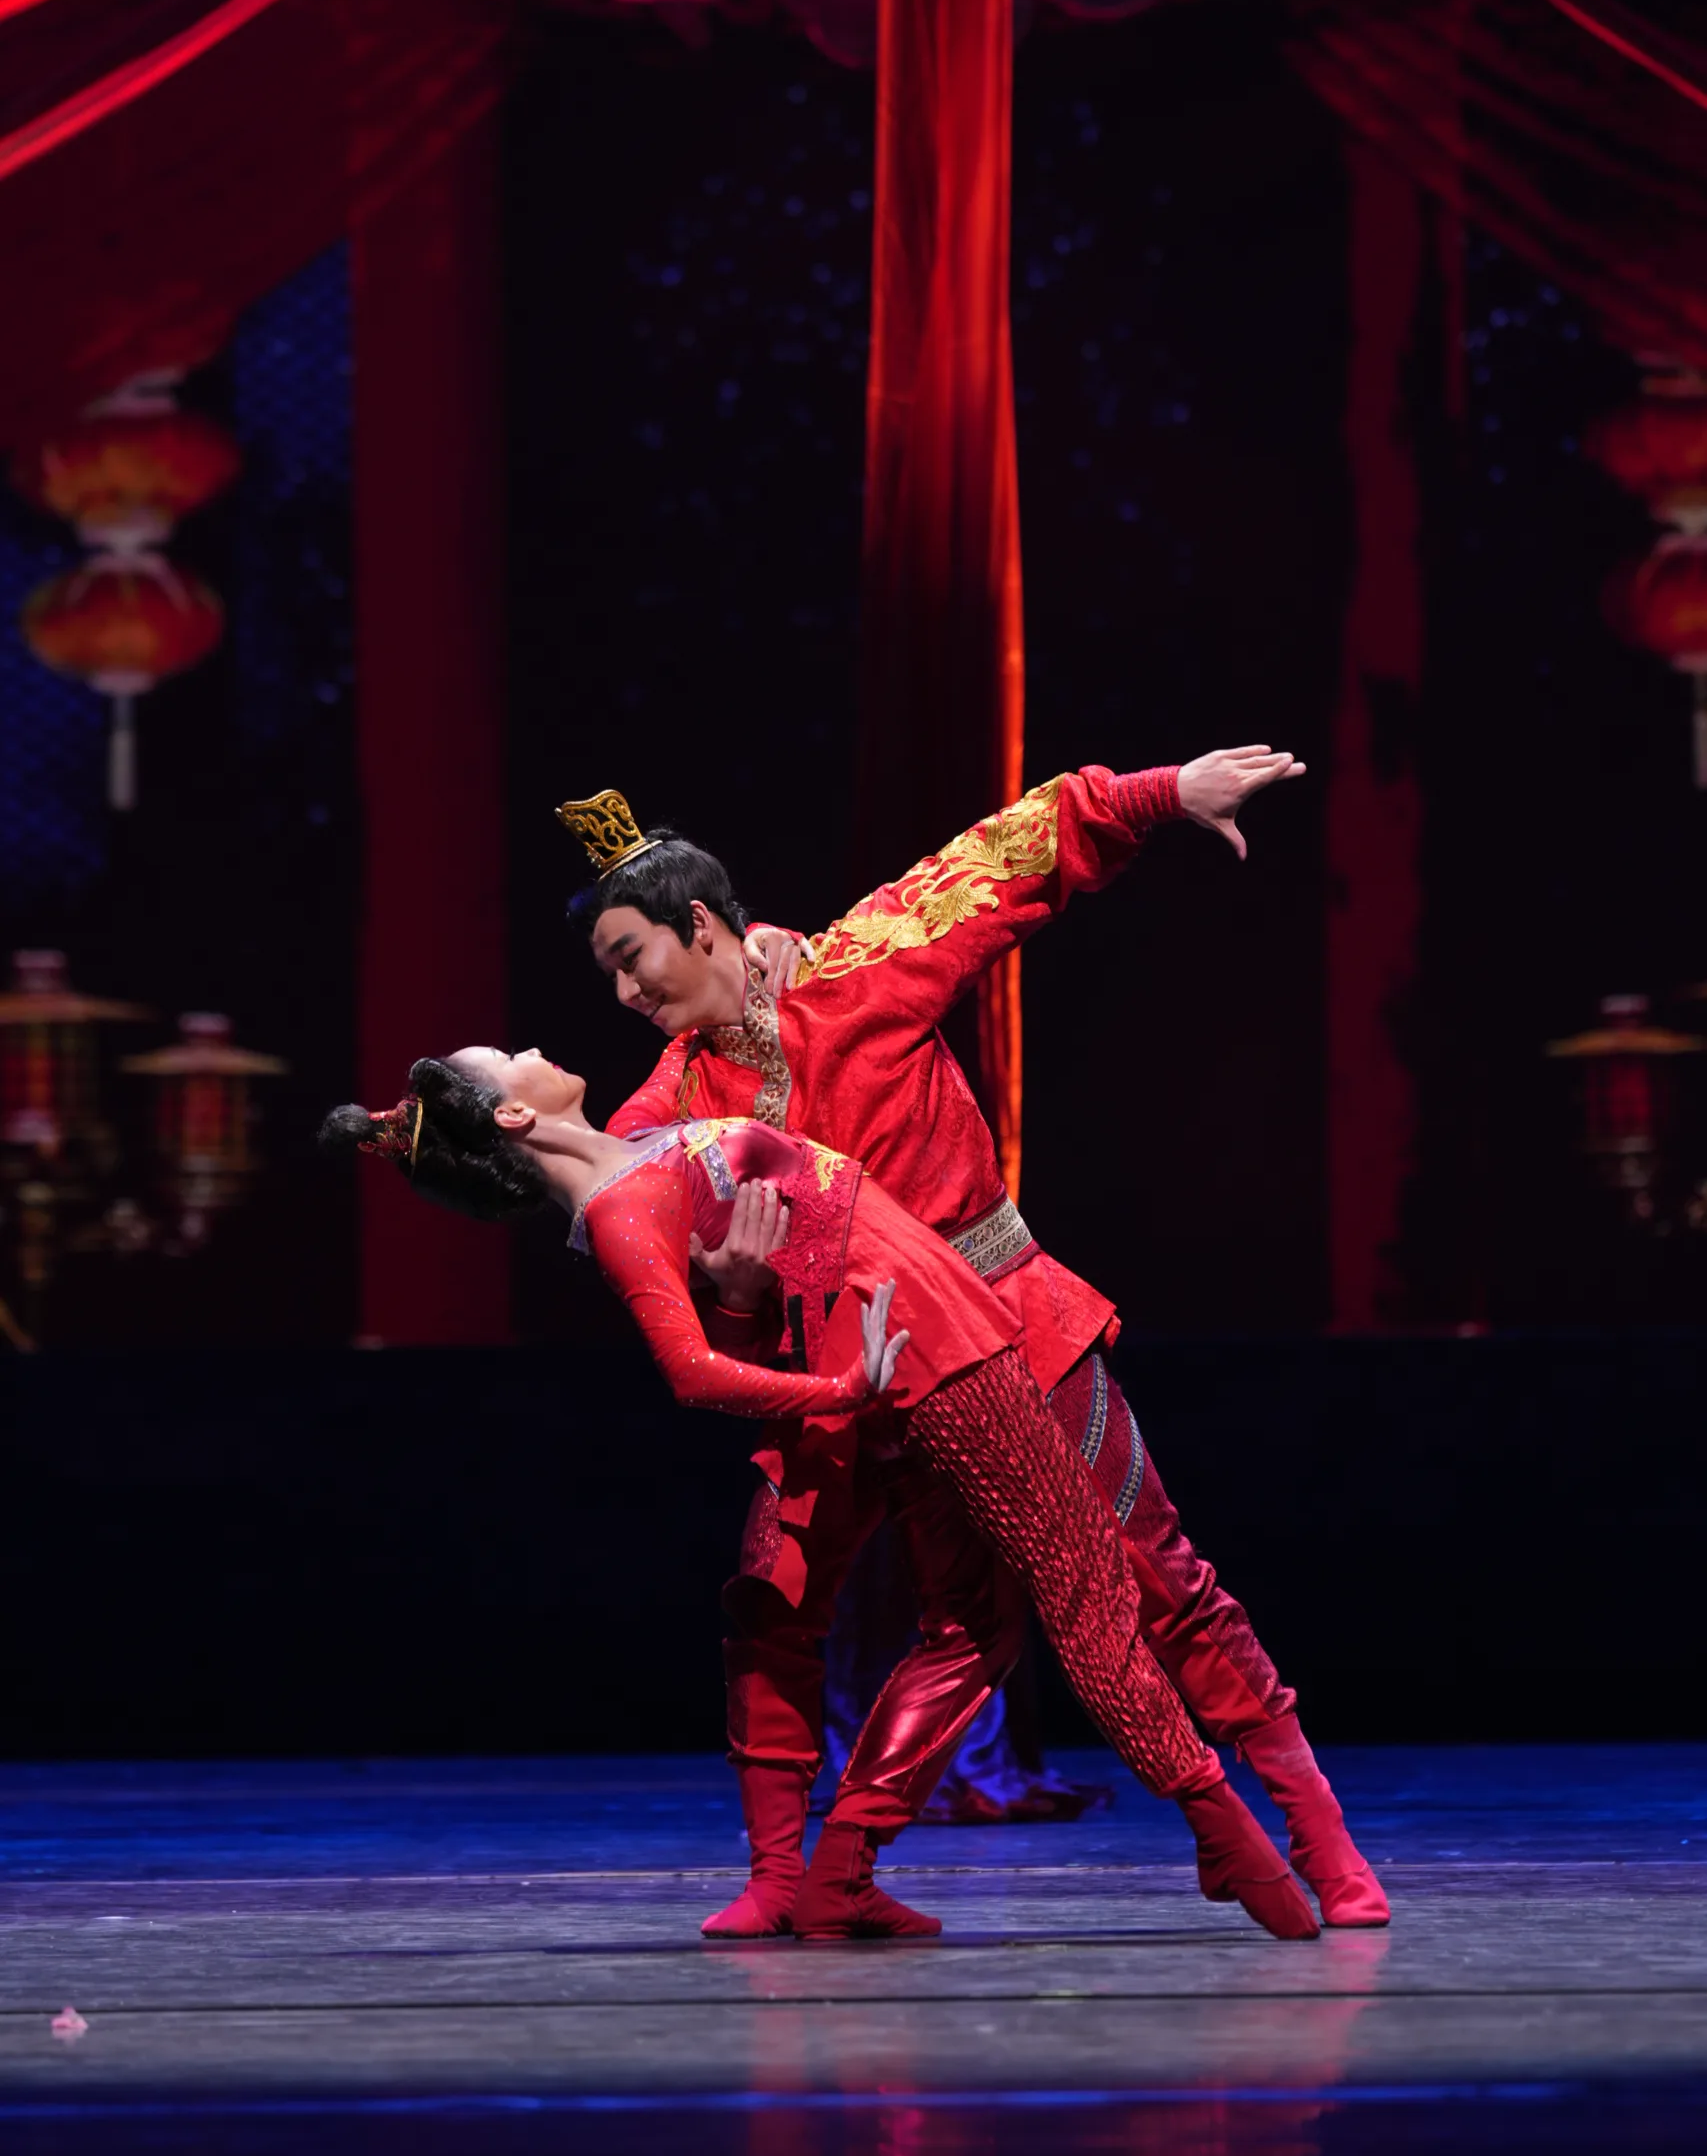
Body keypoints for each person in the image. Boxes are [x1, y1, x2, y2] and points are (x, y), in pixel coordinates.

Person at [569, 758, 1389, 1932]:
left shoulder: (859, 965)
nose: (623, 994)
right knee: (811, 1599)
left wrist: (1165, 792)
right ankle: (804, 1874)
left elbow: (1007, 852)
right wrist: (738, 1295)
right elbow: (664, 1275)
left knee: (1158, 1580)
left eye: (630, 958)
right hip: (856, 1373)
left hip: (1007, 1324)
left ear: (700, 925)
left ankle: (1320, 1838)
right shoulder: (667, 1114)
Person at [321, 1054, 1320, 1944]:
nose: (534, 1047)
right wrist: (843, 1388)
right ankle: (1225, 1834)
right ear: (512, 1114)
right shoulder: (621, 1212)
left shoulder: (635, 1141)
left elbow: (709, 1036)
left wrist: (760, 946)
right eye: (509, 1057)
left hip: (930, 1317)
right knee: (1083, 1587)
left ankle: (841, 1872)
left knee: (988, 1618)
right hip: (922, 1344)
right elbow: (691, 1373)